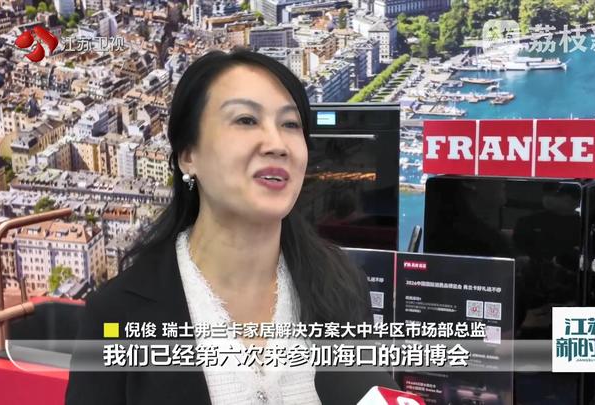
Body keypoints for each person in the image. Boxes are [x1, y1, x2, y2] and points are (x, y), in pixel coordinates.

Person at [65, 48, 397, 405]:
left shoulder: (343, 286)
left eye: (290, 124)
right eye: (246, 120)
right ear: (188, 156)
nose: (277, 145)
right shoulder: (117, 316)